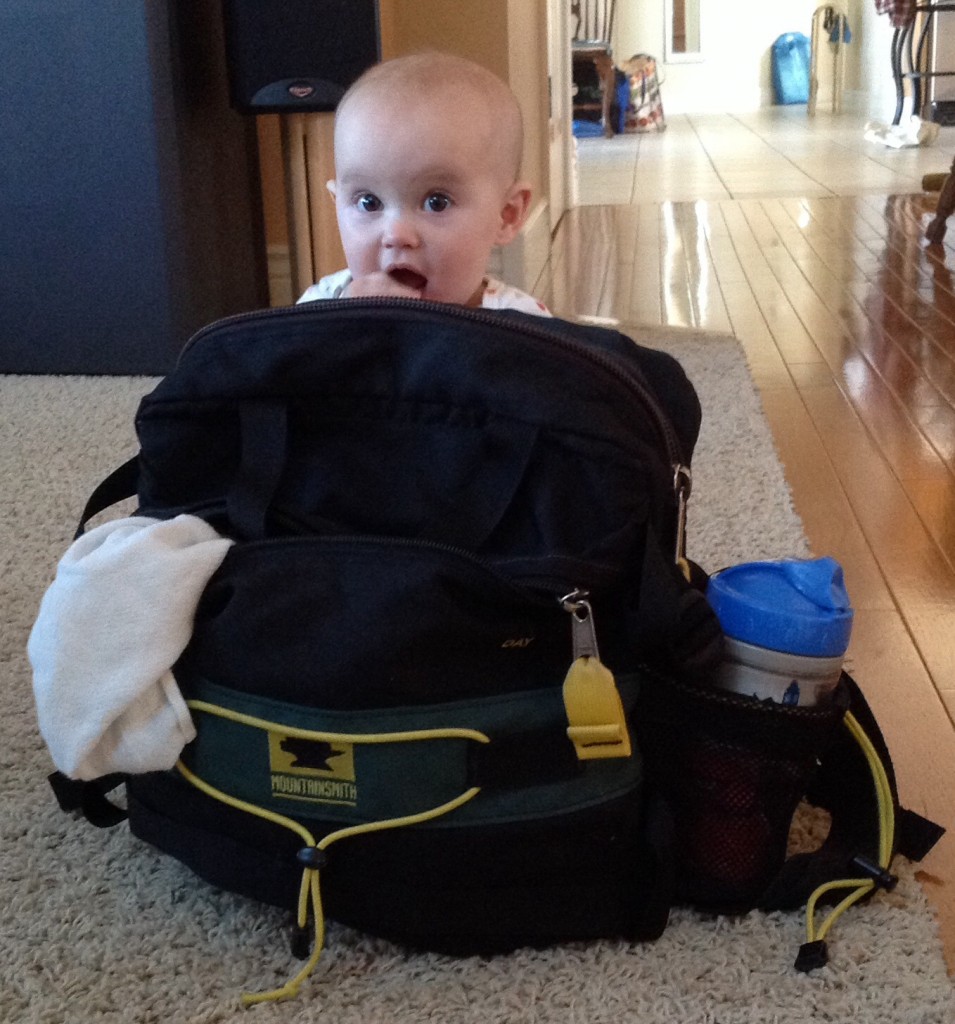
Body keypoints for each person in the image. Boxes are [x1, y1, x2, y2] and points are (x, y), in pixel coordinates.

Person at [297, 51, 551, 317]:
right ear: (337, 206)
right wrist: (343, 324)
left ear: (506, 215)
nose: (396, 234)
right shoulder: (320, 310)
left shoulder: (524, 329)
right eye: (368, 202)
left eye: (436, 202)